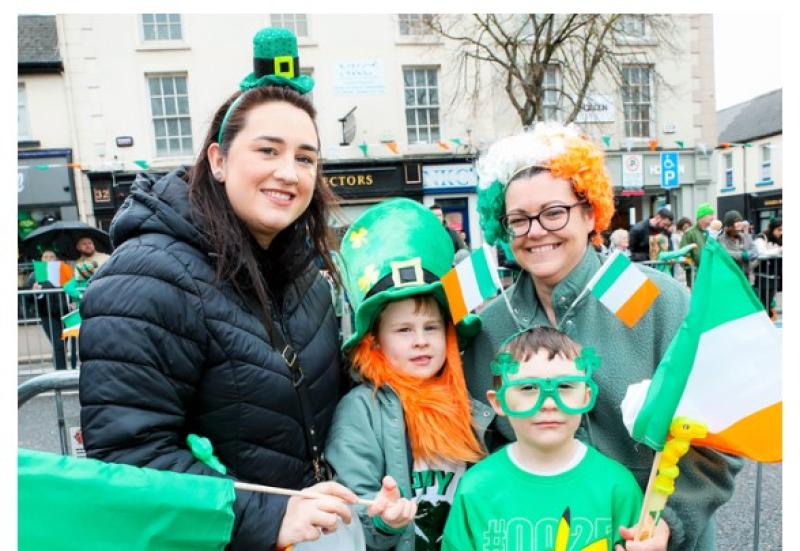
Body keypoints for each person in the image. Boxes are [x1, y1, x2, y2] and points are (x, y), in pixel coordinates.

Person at [78, 27, 360, 550]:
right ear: (218, 160)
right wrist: (267, 517)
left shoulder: (306, 277)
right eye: (268, 150)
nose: (288, 172)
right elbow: (129, 455)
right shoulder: (147, 276)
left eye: (305, 157)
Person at [463, 122, 741, 551]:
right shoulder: (489, 327)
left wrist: (668, 524)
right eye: (518, 220)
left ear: (590, 211)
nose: (536, 231)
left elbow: (723, 437)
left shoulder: (661, 304)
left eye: (554, 212)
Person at [325, 198, 492, 551]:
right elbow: (354, 514)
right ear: (375, 341)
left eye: (431, 327)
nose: (420, 342)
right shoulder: (362, 410)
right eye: (403, 330)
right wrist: (384, 521)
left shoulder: (466, 398)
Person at [443, 327, 645, 551]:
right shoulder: (476, 487)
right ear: (498, 402)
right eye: (528, 387)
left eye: (566, 386)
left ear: (586, 396)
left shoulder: (617, 486)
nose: (549, 404)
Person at [25, 249, 69, 371]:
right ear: (42, 259)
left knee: (62, 345)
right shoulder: (36, 274)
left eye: (51, 257)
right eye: (45, 257)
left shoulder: (64, 271)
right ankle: (61, 374)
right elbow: (27, 297)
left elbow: (71, 289)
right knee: (58, 344)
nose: (48, 259)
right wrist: (35, 292)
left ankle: (57, 364)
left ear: (56, 259)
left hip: (64, 312)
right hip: (47, 314)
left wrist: (72, 302)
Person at [63, 235, 111, 305]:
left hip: (104, 295)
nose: (88, 245)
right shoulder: (77, 263)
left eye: (90, 243)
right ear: (78, 247)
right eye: (84, 244)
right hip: (86, 301)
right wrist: (74, 300)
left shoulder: (105, 257)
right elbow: (74, 283)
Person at [718, 210, 759, 284]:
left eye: (739, 223)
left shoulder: (746, 237)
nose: (738, 228)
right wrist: (743, 255)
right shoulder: (721, 239)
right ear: (728, 226)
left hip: (745, 276)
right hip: (729, 277)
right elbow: (725, 253)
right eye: (735, 224)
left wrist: (750, 265)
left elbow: (755, 251)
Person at [754, 218, 782, 319]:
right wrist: (779, 250)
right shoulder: (761, 238)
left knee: (769, 301)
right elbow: (762, 252)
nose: (781, 232)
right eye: (779, 229)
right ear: (772, 228)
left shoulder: (779, 239)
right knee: (763, 303)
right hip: (762, 276)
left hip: (774, 276)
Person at [679, 203, 715, 268]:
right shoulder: (690, 233)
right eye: (710, 214)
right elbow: (683, 255)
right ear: (702, 216)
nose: (713, 217)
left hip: (709, 271)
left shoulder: (710, 233)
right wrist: (693, 267)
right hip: (695, 274)